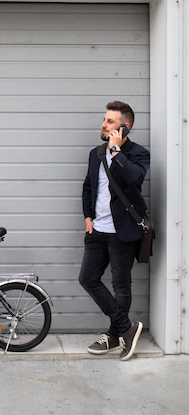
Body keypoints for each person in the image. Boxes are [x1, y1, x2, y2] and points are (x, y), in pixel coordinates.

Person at [78, 100, 150, 361]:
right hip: (97, 230)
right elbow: (88, 187)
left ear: (125, 127)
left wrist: (117, 151)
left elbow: (134, 179)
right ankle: (125, 329)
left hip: (123, 231)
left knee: (121, 284)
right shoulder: (95, 154)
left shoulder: (138, 154)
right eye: (104, 120)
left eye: (109, 121)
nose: (103, 124)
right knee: (88, 278)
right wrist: (88, 217)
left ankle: (113, 334)